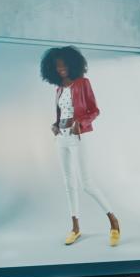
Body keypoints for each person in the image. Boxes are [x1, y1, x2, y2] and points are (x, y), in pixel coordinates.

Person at [40, 46, 120, 247]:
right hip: (62, 138)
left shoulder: (83, 83)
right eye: (57, 66)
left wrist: (80, 124)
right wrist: (55, 125)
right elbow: (61, 114)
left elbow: (95, 110)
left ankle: (114, 221)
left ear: (72, 63)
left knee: (86, 183)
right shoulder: (58, 89)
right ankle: (75, 228)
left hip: (79, 136)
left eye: (64, 64)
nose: (61, 68)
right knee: (69, 183)